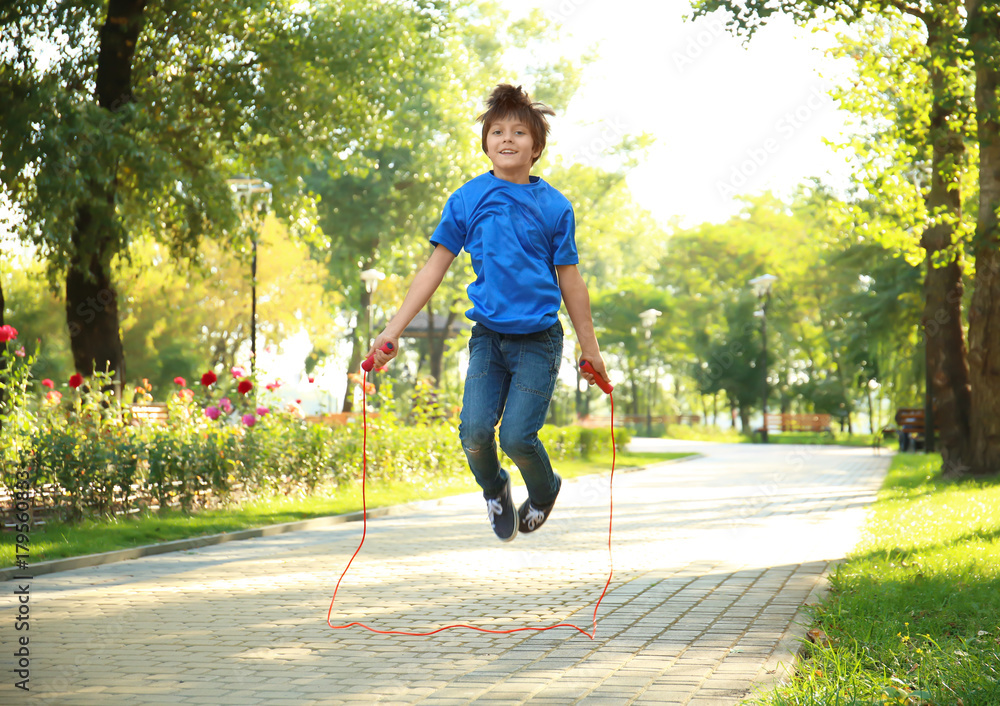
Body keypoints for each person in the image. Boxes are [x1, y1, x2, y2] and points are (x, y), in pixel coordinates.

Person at [366, 83, 609, 542]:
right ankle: (494, 488)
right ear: (486, 143)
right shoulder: (466, 200)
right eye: (497, 130)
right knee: (475, 433)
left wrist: (590, 348)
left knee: (518, 436)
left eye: (519, 131)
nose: (507, 138)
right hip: (489, 339)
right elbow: (433, 268)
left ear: (536, 147)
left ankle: (543, 491)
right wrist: (391, 330)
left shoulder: (555, 207)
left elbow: (571, 282)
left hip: (539, 339)